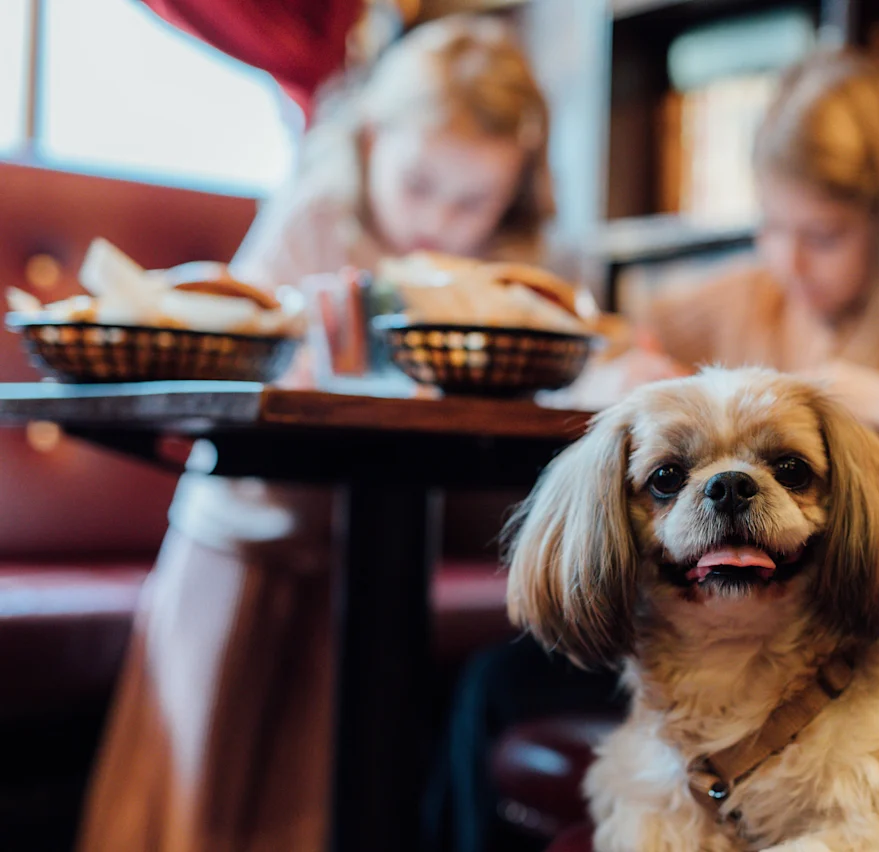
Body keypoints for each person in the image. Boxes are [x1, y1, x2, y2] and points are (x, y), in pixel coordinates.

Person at [443, 49, 879, 852]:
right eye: (771, 226)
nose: (789, 259)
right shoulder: (750, 292)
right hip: (708, 653)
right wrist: (633, 369)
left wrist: (852, 395)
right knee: (493, 680)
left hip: (872, 640)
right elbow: (618, 337)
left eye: (822, 235)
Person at [76, 16, 557, 852]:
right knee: (207, 796)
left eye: (473, 201)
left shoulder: (500, 279)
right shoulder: (314, 224)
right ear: (372, 145)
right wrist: (288, 368)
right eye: (420, 185)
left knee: (333, 792)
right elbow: (234, 356)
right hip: (248, 536)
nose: (438, 222)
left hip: (366, 554)